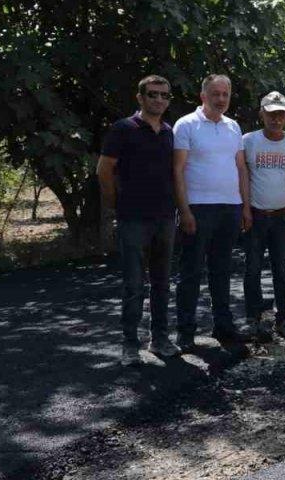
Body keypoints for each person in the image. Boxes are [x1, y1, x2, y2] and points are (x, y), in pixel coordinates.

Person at [98, 75, 181, 366]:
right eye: (153, 94)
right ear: (140, 97)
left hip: (165, 218)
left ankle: (159, 338)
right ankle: (129, 344)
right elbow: (104, 169)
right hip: (133, 219)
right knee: (134, 284)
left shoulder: (170, 132)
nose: (159, 100)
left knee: (162, 282)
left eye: (164, 95)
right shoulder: (123, 129)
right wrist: (114, 204)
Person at [173, 74, 253, 350]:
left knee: (221, 270)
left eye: (225, 94)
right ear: (203, 96)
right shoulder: (186, 125)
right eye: (216, 94)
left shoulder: (233, 127)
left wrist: (245, 207)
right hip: (197, 208)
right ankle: (185, 331)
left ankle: (223, 325)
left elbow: (241, 169)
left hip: (230, 208)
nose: (221, 99)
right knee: (191, 271)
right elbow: (178, 170)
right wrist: (184, 210)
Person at [241, 91, 285, 341]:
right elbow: (241, 177)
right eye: (271, 114)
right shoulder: (248, 141)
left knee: (281, 269)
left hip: (283, 218)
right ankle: (253, 319)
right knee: (252, 269)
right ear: (262, 114)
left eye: (280, 114)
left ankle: (284, 318)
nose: (276, 119)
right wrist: (244, 209)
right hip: (256, 216)